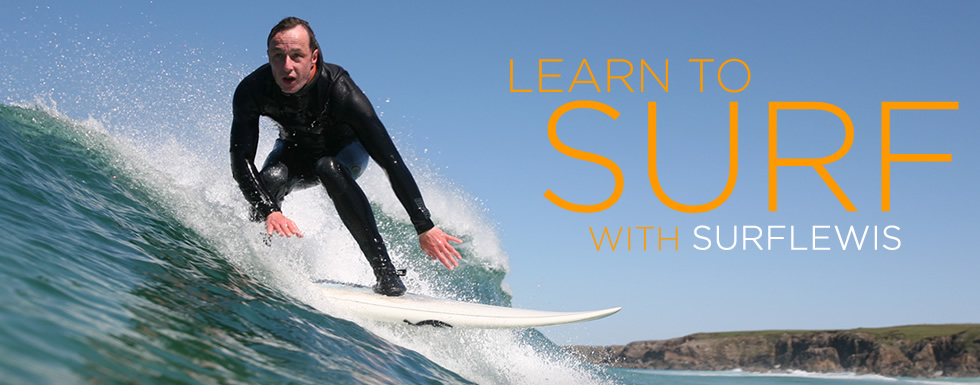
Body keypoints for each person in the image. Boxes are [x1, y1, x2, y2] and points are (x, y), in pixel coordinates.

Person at [230, 17, 462, 296]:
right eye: (278, 57)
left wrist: (423, 225)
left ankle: (386, 273)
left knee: (327, 167)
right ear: (269, 56)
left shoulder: (339, 88)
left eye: (296, 56)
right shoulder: (252, 90)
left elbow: (391, 160)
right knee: (270, 179)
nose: (287, 66)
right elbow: (241, 159)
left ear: (313, 57)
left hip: (345, 153)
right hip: (294, 152)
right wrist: (270, 210)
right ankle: (256, 259)